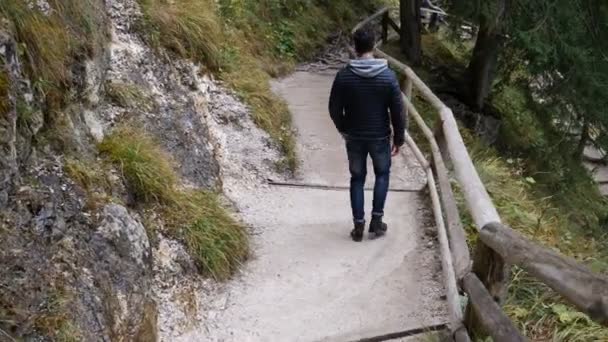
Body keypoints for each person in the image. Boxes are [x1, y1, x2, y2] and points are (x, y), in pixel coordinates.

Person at [328, 25, 407, 242]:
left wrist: (344, 128)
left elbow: (334, 109)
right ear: (374, 45)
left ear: (355, 46)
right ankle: (376, 221)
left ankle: (358, 224)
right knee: (382, 175)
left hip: (354, 136)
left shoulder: (344, 76)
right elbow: (398, 111)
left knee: (357, 178)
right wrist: (399, 138)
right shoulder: (388, 77)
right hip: (380, 136)